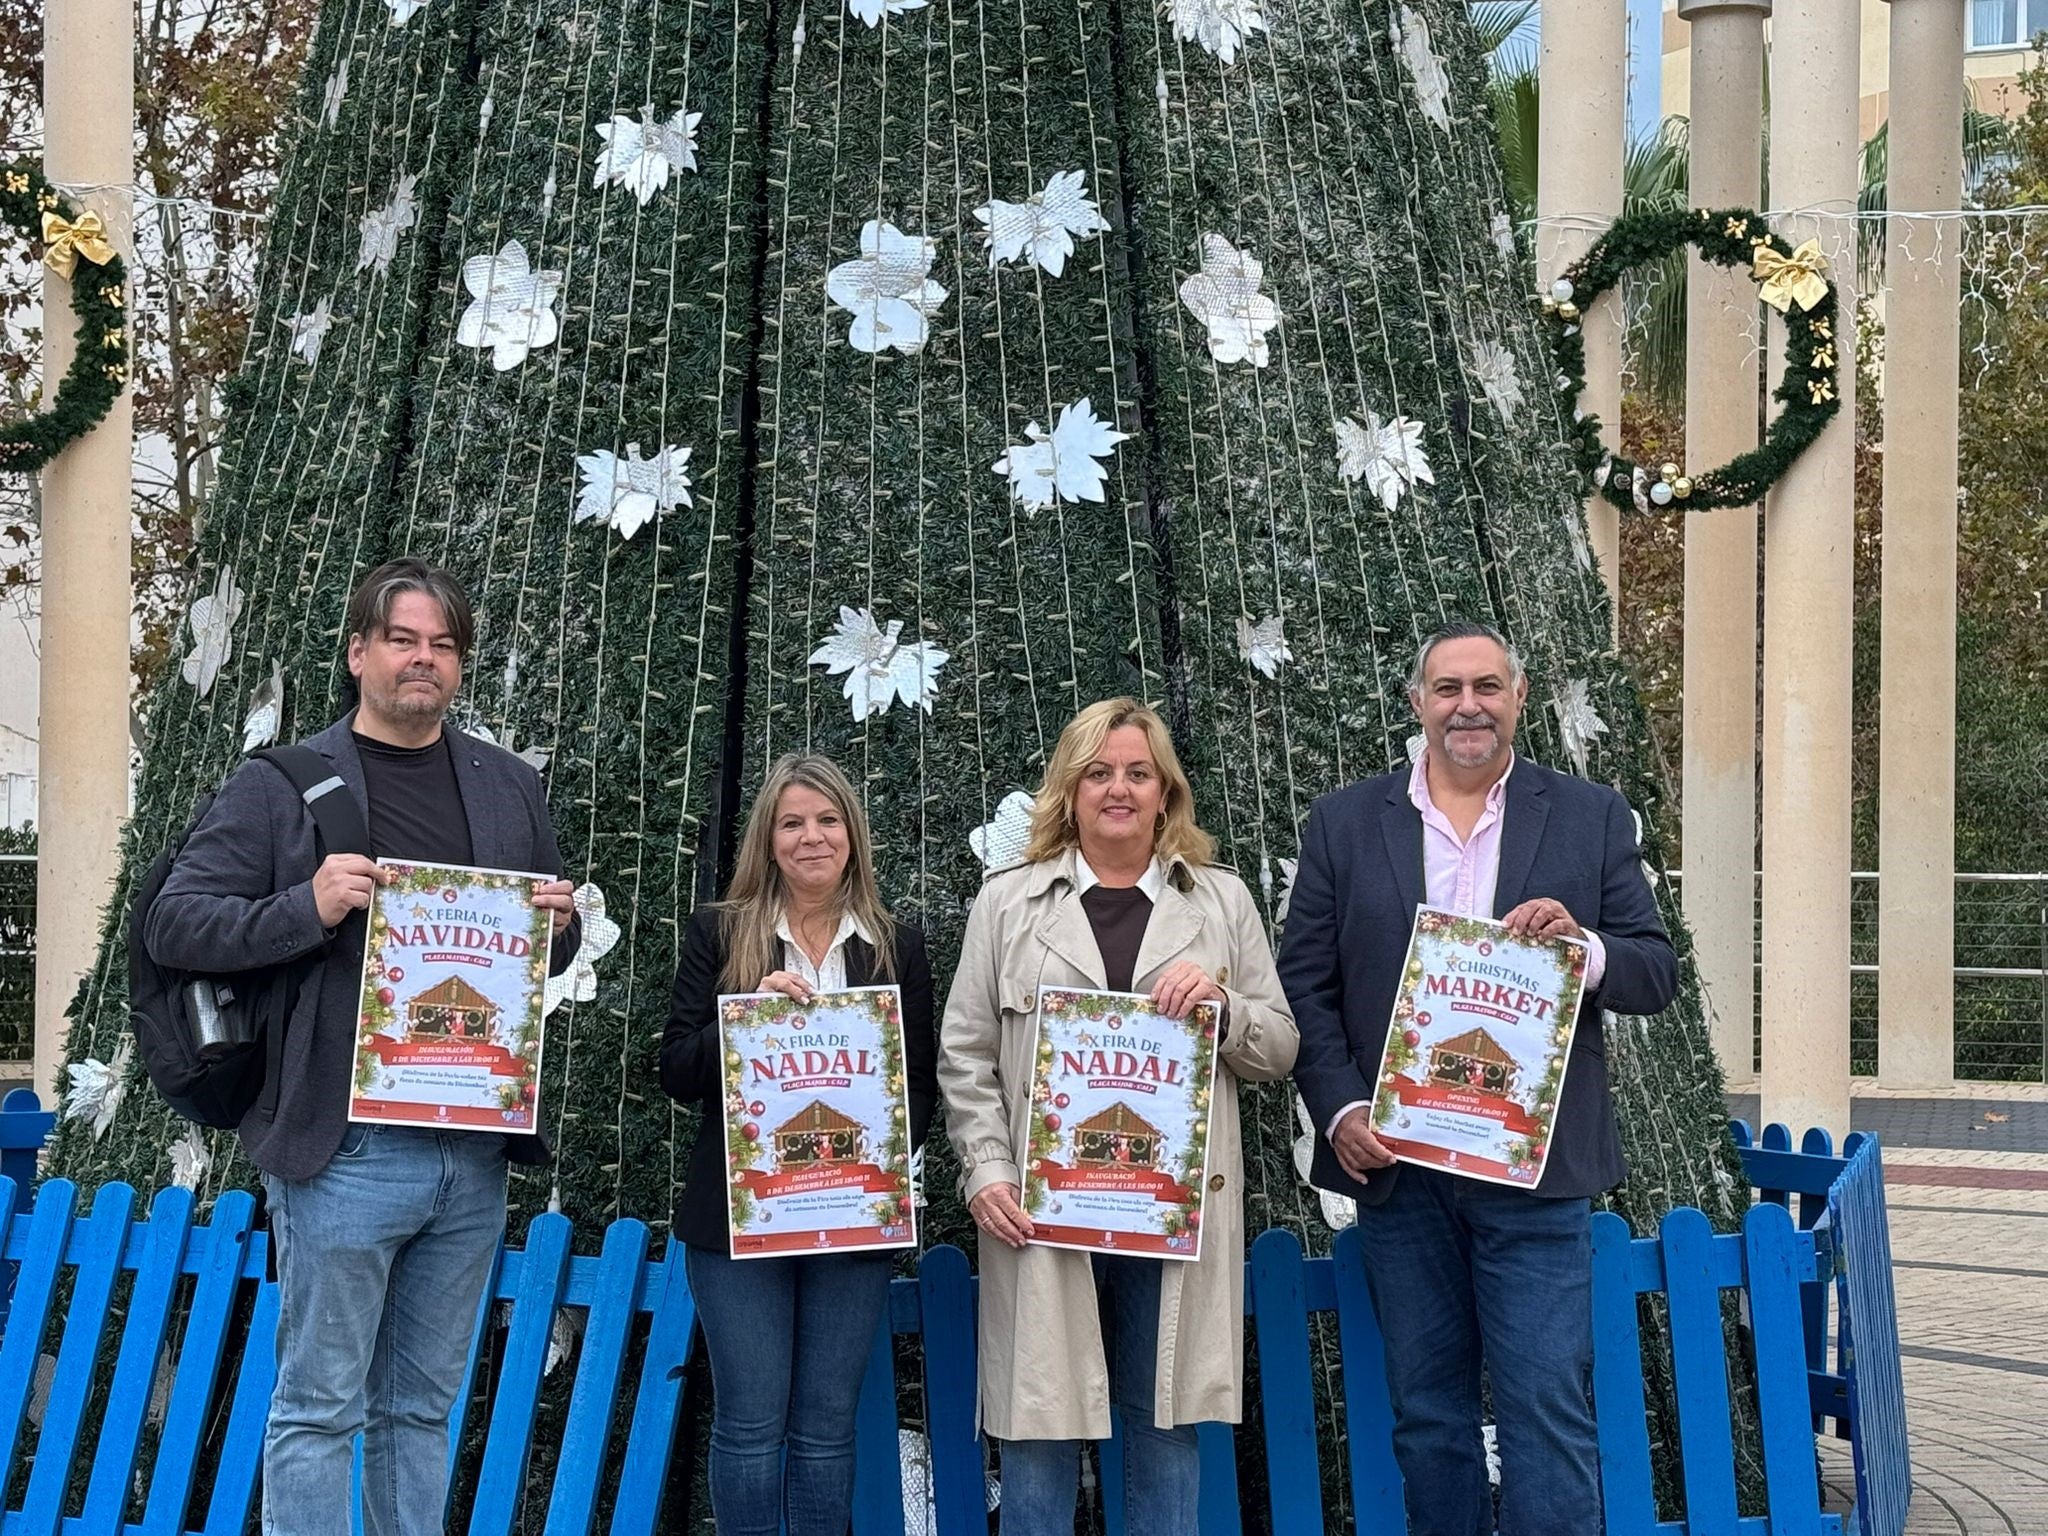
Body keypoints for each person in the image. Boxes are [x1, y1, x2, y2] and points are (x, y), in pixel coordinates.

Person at [145, 558, 581, 1536]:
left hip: (469, 1149)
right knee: (318, 1409)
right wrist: (306, 905)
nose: (422, 660)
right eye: (402, 640)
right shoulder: (281, 786)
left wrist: (557, 928)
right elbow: (176, 924)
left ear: (459, 664)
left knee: (420, 1411)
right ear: (358, 654)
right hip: (344, 1149)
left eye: (441, 645)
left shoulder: (507, 786)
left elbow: (532, 943)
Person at [1277, 620, 1678, 1536]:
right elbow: (1306, 981)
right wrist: (1338, 1108)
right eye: (1448, 688)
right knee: (1429, 1417)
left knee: (1546, 1410)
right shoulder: (1346, 820)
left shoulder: (1588, 815)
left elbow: (1655, 973)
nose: (1468, 705)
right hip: (1400, 1172)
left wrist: (1585, 948)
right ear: (1416, 702)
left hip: (1535, 1179)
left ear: (1519, 699)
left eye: (1487, 687)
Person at [938, 698, 1299, 1536]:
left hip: (1170, 1218)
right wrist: (988, 1169)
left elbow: (1278, 1048)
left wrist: (1224, 1006)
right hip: (1042, 1212)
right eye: (1098, 772)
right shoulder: (1008, 904)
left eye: (1139, 772)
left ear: (1165, 790)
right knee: (1039, 1432)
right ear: (1068, 790)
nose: (1119, 789)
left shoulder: (1220, 901)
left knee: (1163, 1426)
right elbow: (965, 1053)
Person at [659, 753, 937, 1536]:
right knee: (748, 1422)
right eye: (792, 823)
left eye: (827, 820)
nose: (811, 837)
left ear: (851, 834)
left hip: (851, 1217)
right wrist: (743, 1018)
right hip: (738, 1223)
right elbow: (674, 1069)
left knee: (825, 1428)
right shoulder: (720, 933)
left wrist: (866, 1159)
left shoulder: (895, 947)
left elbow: (918, 1085)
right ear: (767, 839)